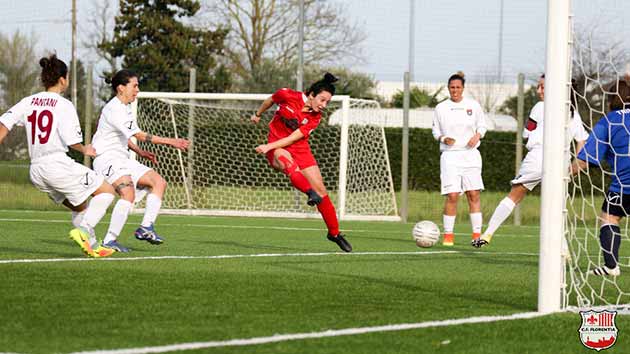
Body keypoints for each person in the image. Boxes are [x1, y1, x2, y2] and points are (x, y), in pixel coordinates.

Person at [0, 54, 116, 257]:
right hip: (56, 164)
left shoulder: (28, 101)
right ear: (63, 79)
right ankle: (83, 230)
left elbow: (4, 125)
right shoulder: (64, 105)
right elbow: (72, 141)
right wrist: (84, 149)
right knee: (106, 191)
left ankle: (93, 245)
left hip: (36, 170)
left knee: (80, 205)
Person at [473, 75, 588, 248]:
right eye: (539, 86)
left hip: (538, 158)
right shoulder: (573, 113)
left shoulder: (540, 107)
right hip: (562, 162)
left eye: (543, 87)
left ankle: (488, 233)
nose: (539, 90)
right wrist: (576, 164)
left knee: (514, 196)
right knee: (556, 207)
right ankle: (563, 249)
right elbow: (582, 141)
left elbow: (526, 134)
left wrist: (530, 136)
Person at [251, 73, 352, 252]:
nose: (324, 105)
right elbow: (270, 100)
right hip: (278, 149)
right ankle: (309, 192)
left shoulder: (315, 118)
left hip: (299, 149)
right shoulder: (287, 95)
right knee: (288, 162)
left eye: (327, 102)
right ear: (311, 95)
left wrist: (267, 146)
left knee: (321, 190)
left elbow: (293, 138)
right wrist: (258, 114)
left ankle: (334, 233)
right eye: (322, 100)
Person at [91, 69, 190, 252]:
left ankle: (146, 228)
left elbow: (125, 137)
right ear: (121, 88)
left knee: (158, 182)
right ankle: (109, 240)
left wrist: (139, 151)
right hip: (106, 158)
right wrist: (172, 141)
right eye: (134, 86)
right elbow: (139, 134)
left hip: (122, 158)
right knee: (127, 193)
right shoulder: (114, 109)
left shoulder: (125, 107)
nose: (137, 90)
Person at [571, 78, 630, 276]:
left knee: (609, 218)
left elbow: (586, 158)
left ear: (611, 100)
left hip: (623, 186)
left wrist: (563, 174)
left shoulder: (609, 120)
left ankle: (611, 266)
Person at [432, 72, 487, 246]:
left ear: (463, 88)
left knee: (473, 194)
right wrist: (443, 139)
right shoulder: (441, 108)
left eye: (458, 87)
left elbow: (482, 125)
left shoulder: (473, 105)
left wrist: (477, 136)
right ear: (448, 88)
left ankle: (476, 236)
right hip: (450, 156)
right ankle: (448, 236)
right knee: (453, 196)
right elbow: (435, 131)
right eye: (452, 87)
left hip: (471, 156)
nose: (455, 90)